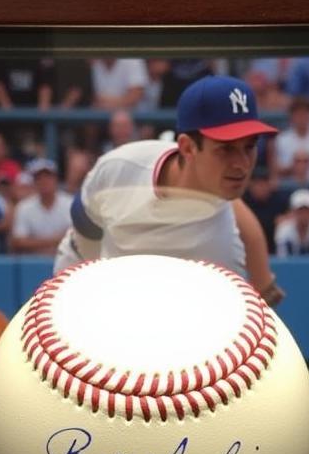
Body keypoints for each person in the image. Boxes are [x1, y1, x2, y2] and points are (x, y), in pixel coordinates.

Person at [53, 75, 284, 306]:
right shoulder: (121, 168)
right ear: (187, 147)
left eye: (249, 146)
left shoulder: (222, 255)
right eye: (226, 149)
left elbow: (245, 224)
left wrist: (264, 285)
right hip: (100, 287)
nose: (242, 163)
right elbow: (84, 229)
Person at [10, 159, 72, 254]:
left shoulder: (70, 203)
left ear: (56, 179)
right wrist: (58, 240)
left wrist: (34, 242)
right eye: (39, 178)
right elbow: (19, 241)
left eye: (48, 177)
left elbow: (76, 238)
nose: (44, 181)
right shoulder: (24, 206)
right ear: (34, 182)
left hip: (66, 261)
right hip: (33, 263)